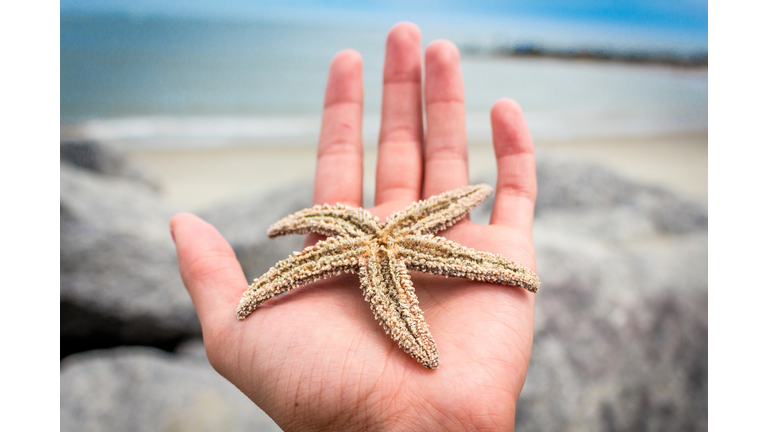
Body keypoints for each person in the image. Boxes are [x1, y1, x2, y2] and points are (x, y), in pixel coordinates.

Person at [170, 22, 538, 431]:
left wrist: (509, 272)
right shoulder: (359, 235)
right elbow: (314, 233)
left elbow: (458, 220)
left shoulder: (385, 236)